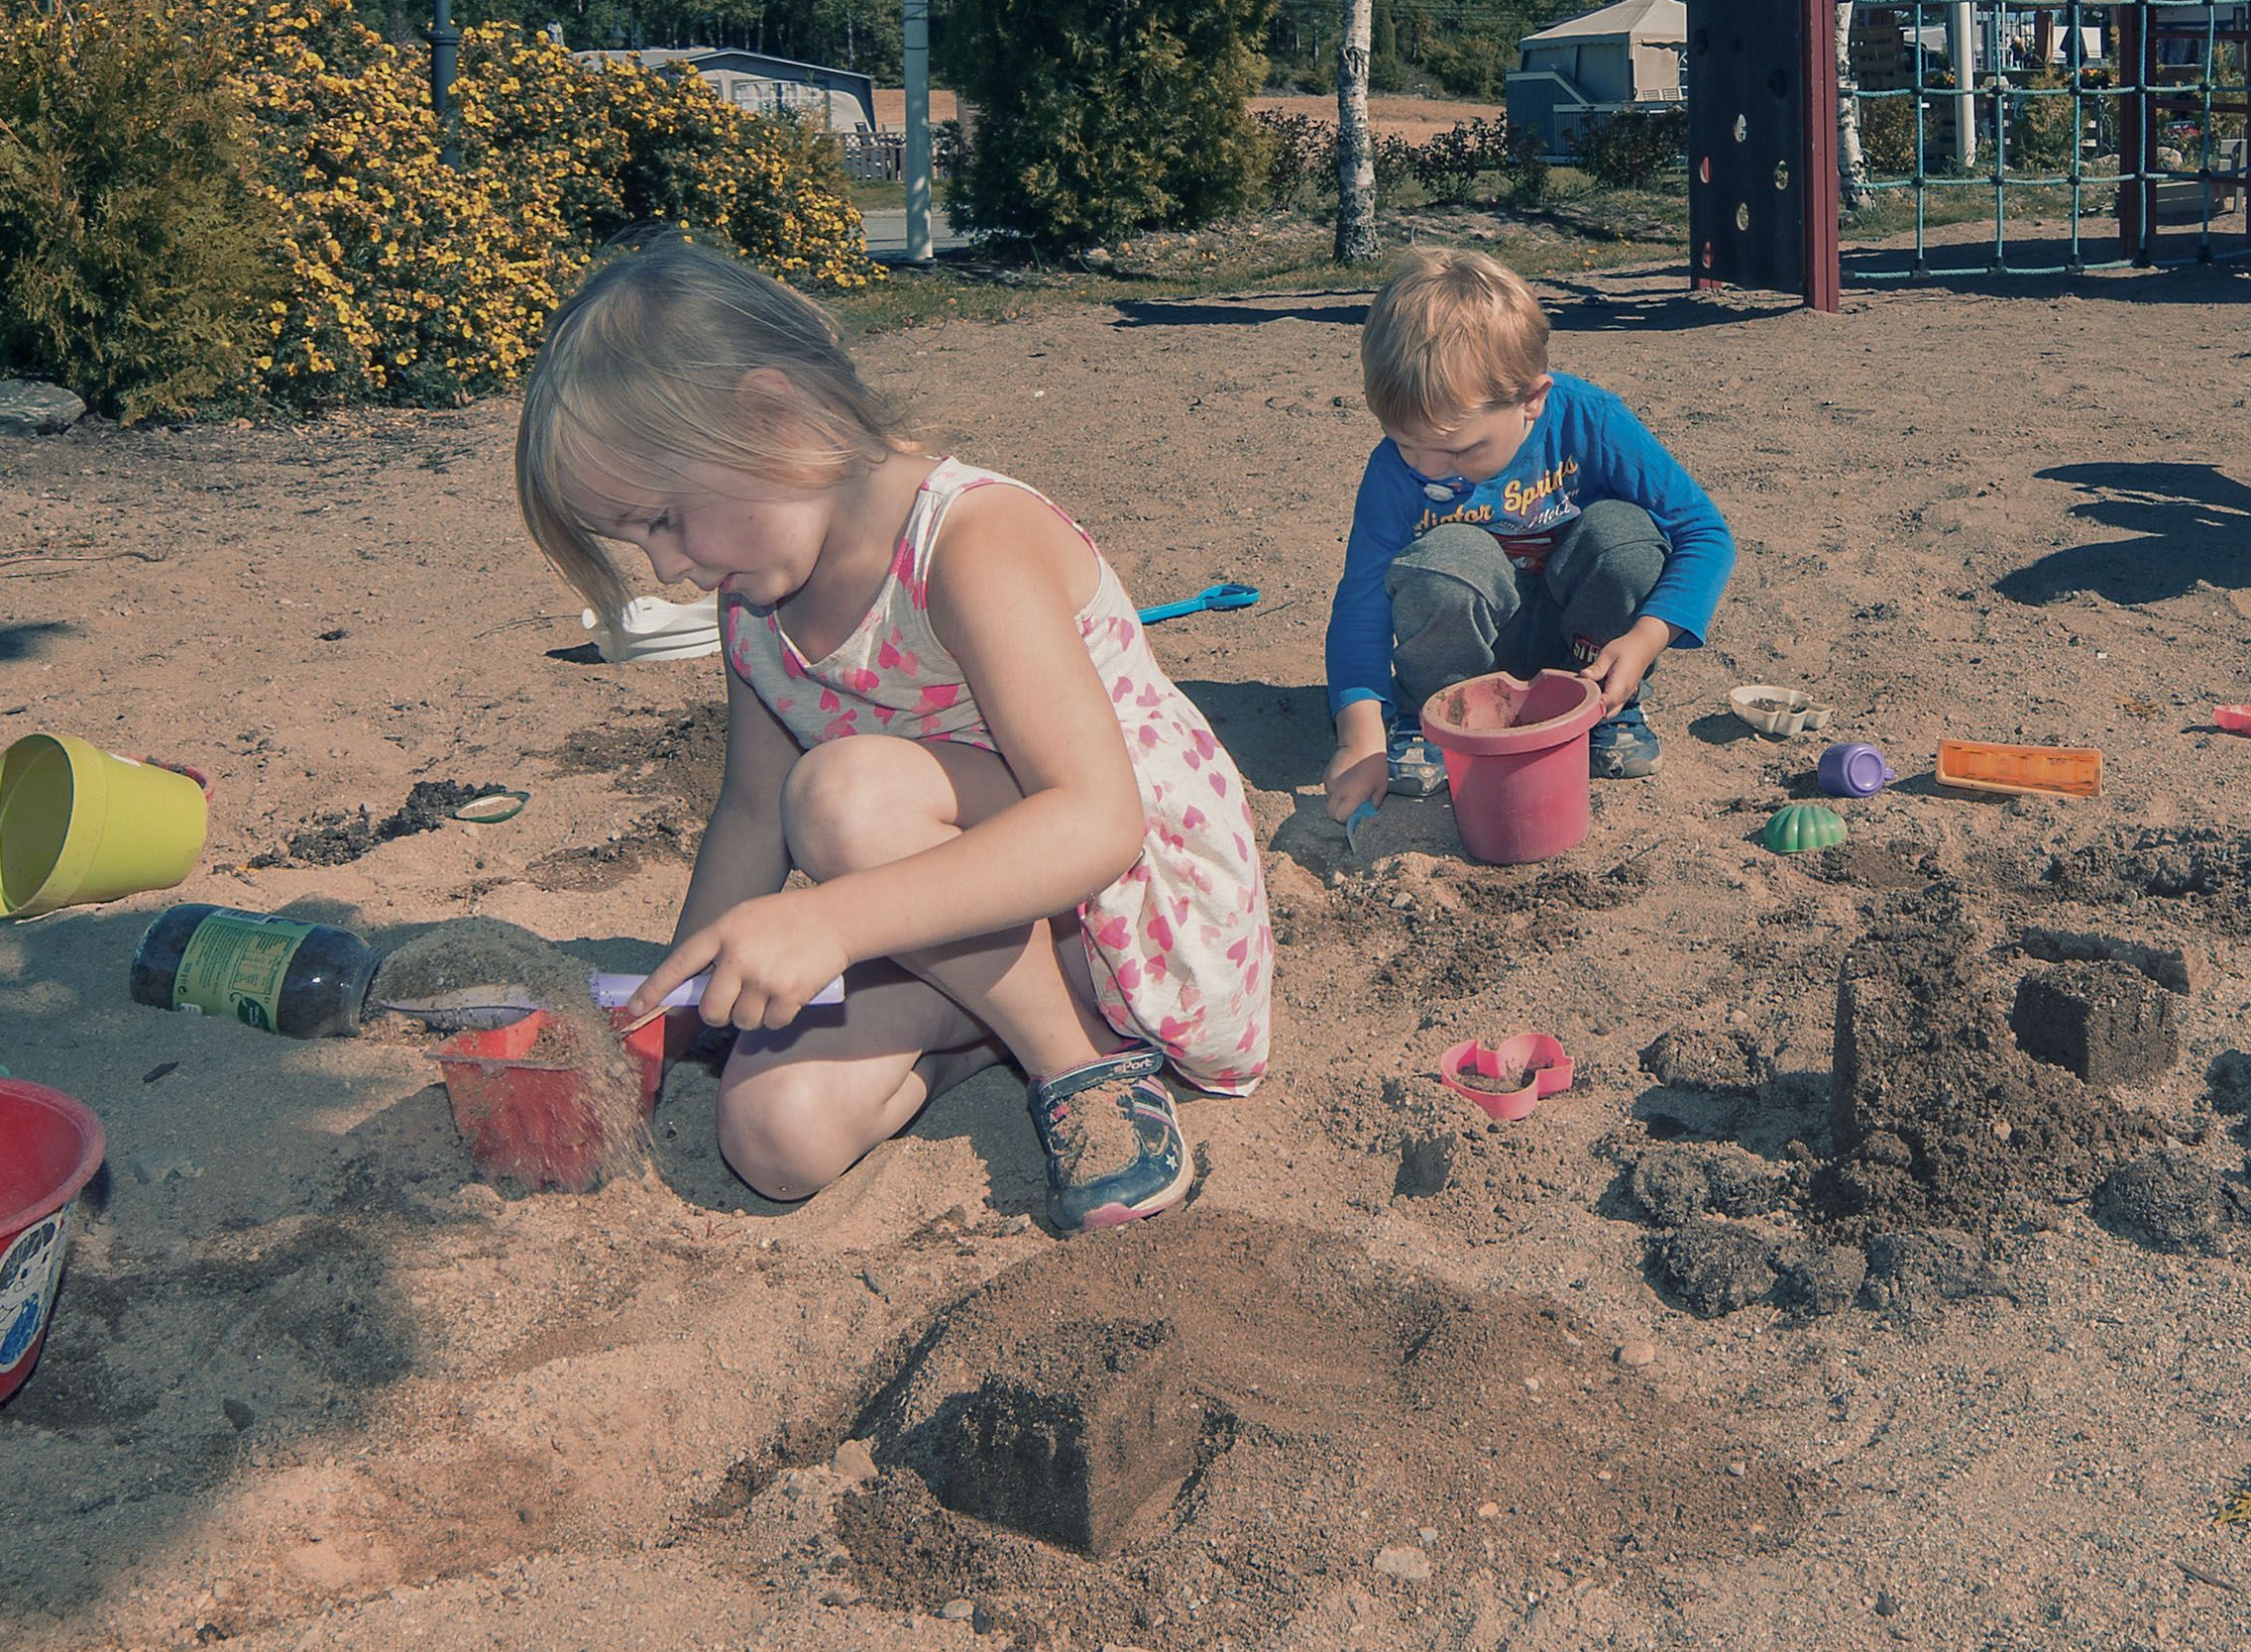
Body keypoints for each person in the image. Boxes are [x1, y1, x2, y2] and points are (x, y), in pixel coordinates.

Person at [517, 240, 1267, 1232]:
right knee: (772, 1132)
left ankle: (1081, 1065)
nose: (666, 567)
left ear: (771, 415)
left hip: (1133, 898)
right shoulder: (756, 606)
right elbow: (748, 813)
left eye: (666, 518)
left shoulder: (966, 541)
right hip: (962, 920)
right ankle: (1010, 1023)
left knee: (843, 796)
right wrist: (675, 1002)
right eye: (637, 540)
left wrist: (831, 923)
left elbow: (1097, 821)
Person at [1319, 246, 1737, 822]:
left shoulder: (1591, 418)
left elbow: (1704, 532)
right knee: (1447, 558)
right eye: (1407, 444)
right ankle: (1431, 718)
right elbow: (1361, 600)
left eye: (1460, 450)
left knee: (1625, 536)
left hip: (1584, 650)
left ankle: (1605, 711)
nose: (1427, 469)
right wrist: (1358, 735)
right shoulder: (1396, 471)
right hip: (1464, 649)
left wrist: (1644, 641)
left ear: (1531, 400)